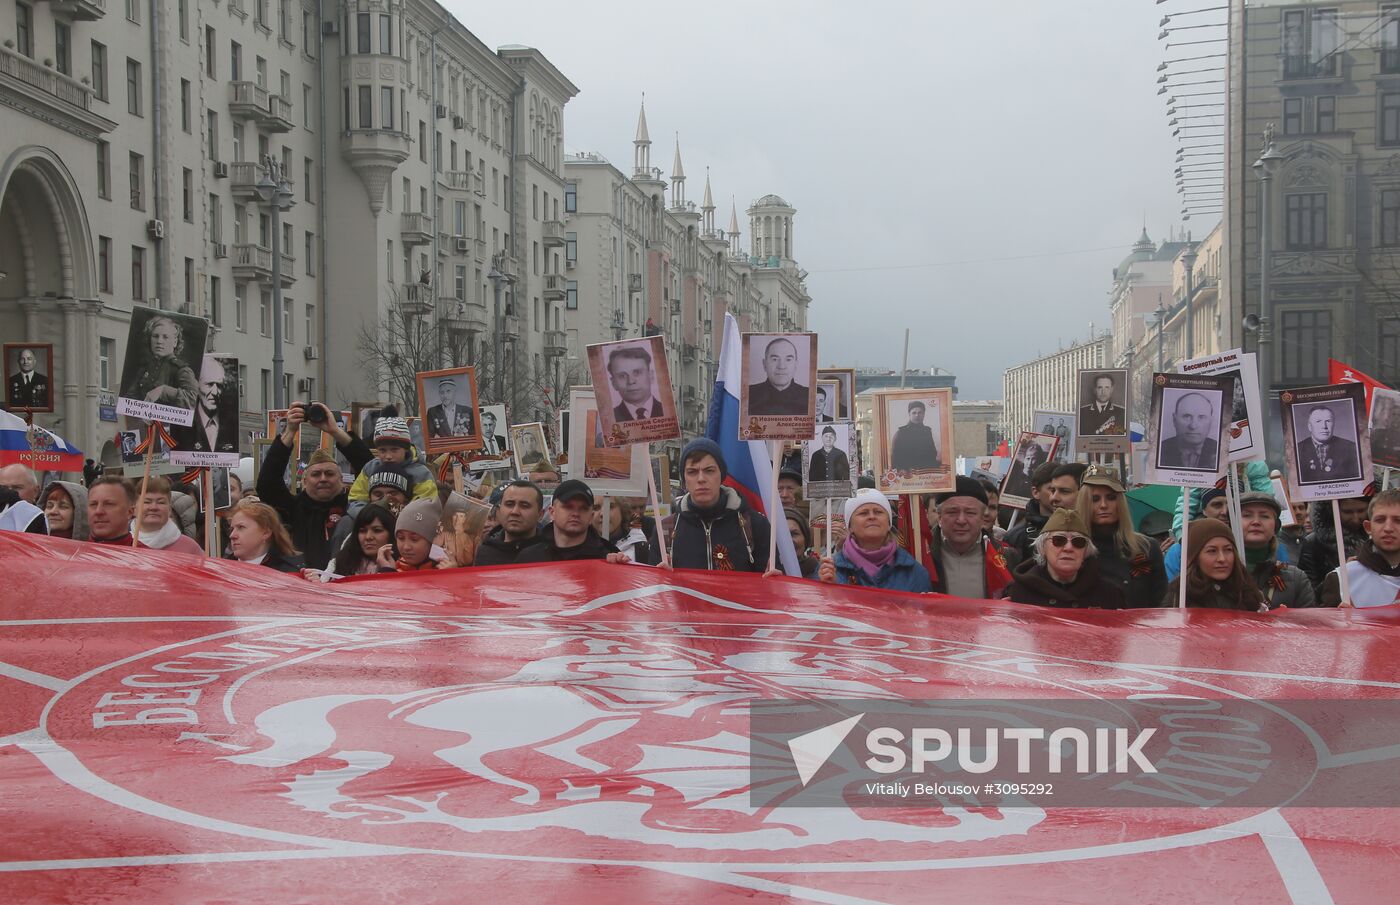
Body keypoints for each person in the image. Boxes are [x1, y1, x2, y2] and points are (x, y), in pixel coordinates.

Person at [258, 402, 374, 570]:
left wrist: (335, 431)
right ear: (304, 481)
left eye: (329, 473)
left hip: (343, 585)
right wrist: (290, 431)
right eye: (315, 474)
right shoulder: (292, 508)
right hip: (299, 586)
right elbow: (267, 484)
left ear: (341, 479)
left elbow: (371, 472)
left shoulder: (352, 506)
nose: (323, 478)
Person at [669, 438, 771, 572]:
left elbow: (771, 585)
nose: (701, 479)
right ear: (684, 480)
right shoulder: (666, 530)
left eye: (709, 471)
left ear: (721, 475)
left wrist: (774, 579)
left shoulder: (755, 525)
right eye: (692, 472)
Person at [1073, 465, 1165, 608]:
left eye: (1111, 498)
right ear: (1084, 503)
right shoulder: (1072, 547)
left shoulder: (1147, 547)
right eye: (1095, 499)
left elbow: (1161, 603)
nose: (1103, 505)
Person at [1004, 508, 1125, 608]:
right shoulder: (1018, 591)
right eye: (1059, 540)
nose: (1068, 548)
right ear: (1043, 547)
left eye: (1078, 542)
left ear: (1086, 551)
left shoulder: (1109, 594)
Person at [818, 488, 932, 592]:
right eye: (863, 513)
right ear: (850, 527)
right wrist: (829, 590)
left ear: (888, 524)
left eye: (878, 512)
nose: (872, 517)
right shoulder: (830, 570)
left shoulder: (914, 572)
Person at [923, 476, 1013, 598]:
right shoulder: (922, 558)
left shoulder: (1007, 560)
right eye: (952, 512)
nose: (961, 520)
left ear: (982, 518)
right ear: (939, 517)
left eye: (970, 513)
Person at [1163, 518, 1267, 611]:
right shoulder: (1178, 597)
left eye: (1228, 550)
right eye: (1212, 551)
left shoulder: (1249, 594)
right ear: (1195, 557)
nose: (1222, 559)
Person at [345, 410, 437, 513]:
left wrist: (396, 516)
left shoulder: (421, 473)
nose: (388, 456)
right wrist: (366, 516)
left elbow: (425, 505)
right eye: (382, 450)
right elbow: (356, 498)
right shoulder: (370, 468)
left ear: (406, 449)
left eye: (394, 450)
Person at [1321, 490, 1400, 606]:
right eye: (1380, 520)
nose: (1388, 528)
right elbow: (1321, 623)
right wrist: (1342, 622)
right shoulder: (1342, 578)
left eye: (1398, 521)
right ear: (1368, 527)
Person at [1236, 492, 1314, 609]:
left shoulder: (1296, 579)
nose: (1256, 521)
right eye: (1247, 515)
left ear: (1276, 526)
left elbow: (1311, 624)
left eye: (1264, 516)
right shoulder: (1217, 574)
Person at [516, 480, 619, 562]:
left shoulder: (608, 558)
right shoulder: (529, 558)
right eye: (568, 507)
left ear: (591, 516)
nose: (576, 513)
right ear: (552, 512)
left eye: (583, 508)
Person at [1003, 463, 1081, 566]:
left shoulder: (1086, 528)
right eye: (1052, 490)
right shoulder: (1017, 536)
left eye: (1064, 491)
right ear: (1036, 492)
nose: (1055, 497)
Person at [119, 314, 199, 411]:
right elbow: (130, 398)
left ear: (175, 342)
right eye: (155, 336)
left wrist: (163, 391)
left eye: (165, 337)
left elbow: (194, 399)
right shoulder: (146, 368)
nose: (159, 341)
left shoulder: (181, 370)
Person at [1298, 496, 1369, 594]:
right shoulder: (1313, 543)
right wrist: (1342, 573)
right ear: (1332, 510)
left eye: (1361, 511)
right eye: (1347, 512)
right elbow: (1309, 594)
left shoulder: (1380, 539)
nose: (1356, 518)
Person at [1163, 486, 1232, 581]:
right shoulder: (1179, 553)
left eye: (1232, 505)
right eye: (1217, 505)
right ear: (1204, 510)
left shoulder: (1248, 544)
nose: (1225, 512)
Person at [172, 356, 238, 453]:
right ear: (197, 386)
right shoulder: (181, 425)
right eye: (209, 384)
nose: (215, 392)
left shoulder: (232, 425)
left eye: (219, 385)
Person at [476, 480, 547, 565]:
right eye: (509, 504)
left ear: (540, 514)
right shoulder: (479, 555)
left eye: (524, 506)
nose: (515, 511)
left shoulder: (552, 553)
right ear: (499, 510)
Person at [317, 503, 396, 579]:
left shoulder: (404, 566)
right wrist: (317, 583)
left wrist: (387, 571)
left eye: (377, 530)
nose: (368, 537)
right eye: (362, 531)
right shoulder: (340, 563)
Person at [133, 476, 204, 555]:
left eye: (161, 502)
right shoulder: (121, 546)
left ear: (169, 509)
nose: (153, 507)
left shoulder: (190, 548)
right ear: (134, 508)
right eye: (147, 502)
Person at [226, 501, 302, 572]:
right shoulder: (221, 570)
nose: (232, 535)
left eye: (241, 527)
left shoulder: (291, 572)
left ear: (266, 533)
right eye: (232, 529)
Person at [376, 498, 445, 571]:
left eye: (414, 539)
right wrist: (387, 571)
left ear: (432, 541)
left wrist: (451, 574)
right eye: (401, 538)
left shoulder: (447, 569)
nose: (406, 547)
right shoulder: (392, 568)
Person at [1295, 404, 1360, 482]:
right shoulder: (1296, 451)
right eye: (1318, 421)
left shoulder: (1351, 448)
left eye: (1328, 421)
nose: (1324, 426)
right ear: (1309, 427)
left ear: (1334, 424)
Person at [1158, 392, 1219, 469]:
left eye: (1201, 417)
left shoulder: (1220, 450)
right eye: (1187, 416)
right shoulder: (1159, 451)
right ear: (1174, 420)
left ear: (1211, 421)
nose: (1193, 426)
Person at [608, 345, 665, 421]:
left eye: (637, 372)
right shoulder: (609, 420)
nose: (631, 381)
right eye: (622, 376)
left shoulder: (667, 411)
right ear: (614, 383)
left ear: (650, 375)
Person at [594, 497, 652, 563]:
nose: (603, 514)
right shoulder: (583, 549)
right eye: (596, 508)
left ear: (622, 511)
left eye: (610, 507)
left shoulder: (642, 550)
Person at [86, 477, 141, 546]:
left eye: (109, 504)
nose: (98, 511)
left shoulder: (147, 555)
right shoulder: (73, 553)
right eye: (93, 504)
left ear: (129, 512)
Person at [890, 401, 939, 471]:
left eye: (920, 412)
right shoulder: (901, 432)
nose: (917, 415)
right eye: (914, 413)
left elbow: (933, 453)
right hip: (907, 474)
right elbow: (895, 457)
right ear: (909, 414)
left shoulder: (927, 431)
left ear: (924, 414)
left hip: (925, 473)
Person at [425, 375, 475, 439]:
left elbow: (473, 435)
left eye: (448, 391)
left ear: (455, 392)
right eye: (442, 392)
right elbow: (429, 436)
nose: (445, 396)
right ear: (439, 394)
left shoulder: (468, 411)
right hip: (442, 448)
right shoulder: (432, 412)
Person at [786, 507, 821, 579]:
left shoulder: (820, 573)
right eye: (783, 535)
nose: (789, 541)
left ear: (805, 537)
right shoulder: (763, 571)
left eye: (794, 534)